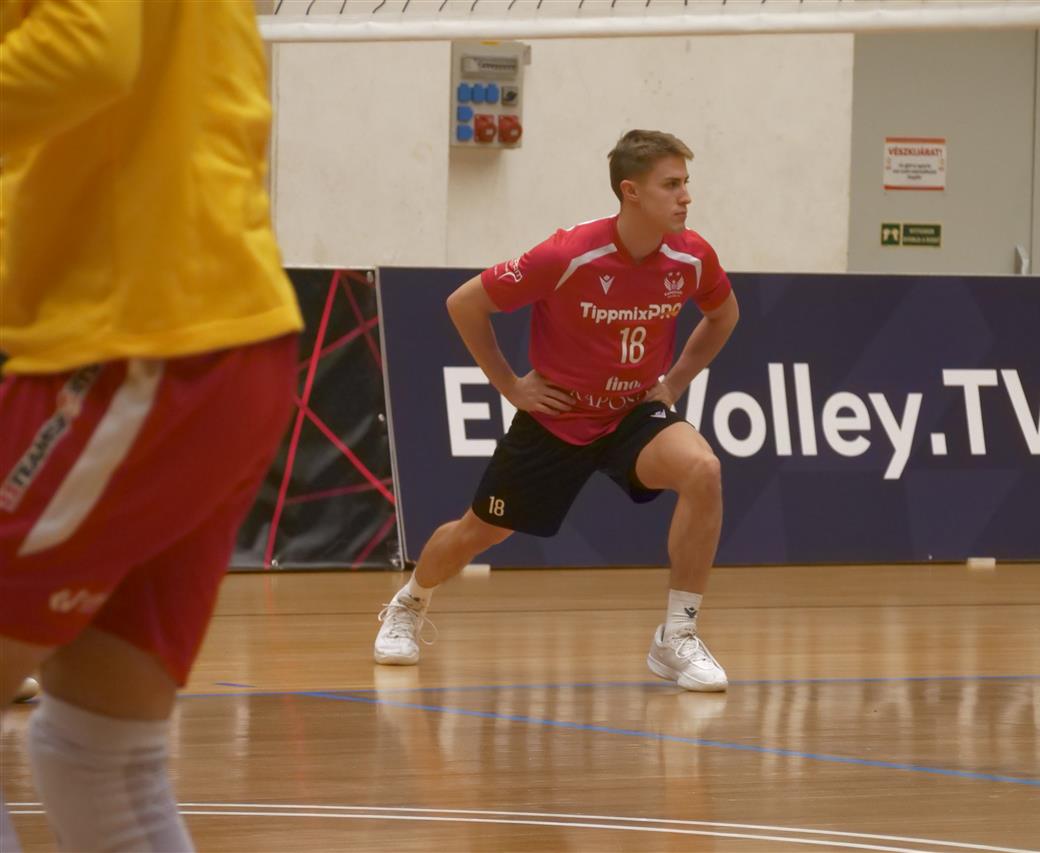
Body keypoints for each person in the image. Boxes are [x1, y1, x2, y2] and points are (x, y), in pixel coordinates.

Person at [0, 2, 302, 850]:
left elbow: (88, 51)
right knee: (98, 755)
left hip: (132, 339)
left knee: (99, 757)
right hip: (218, 337)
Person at [374, 129, 739, 692]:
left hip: (632, 414)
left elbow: (723, 316)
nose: (686, 196)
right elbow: (465, 303)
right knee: (480, 532)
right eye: (671, 185)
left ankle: (678, 636)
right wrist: (510, 386)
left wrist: (673, 384)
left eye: (686, 183)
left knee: (703, 470)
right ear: (631, 192)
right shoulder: (567, 254)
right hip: (558, 417)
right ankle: (409, 602)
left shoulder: (692, 256)